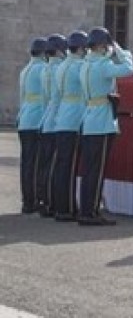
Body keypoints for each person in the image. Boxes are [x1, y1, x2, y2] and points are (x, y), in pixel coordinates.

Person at [77, 27, 133, 226]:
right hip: (101, 122)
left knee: (89, 170)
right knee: (97, 170)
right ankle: (90, 212)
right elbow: (129, 69)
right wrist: (121, 51)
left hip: (89, 119)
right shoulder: (102, 64)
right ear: (102, 46)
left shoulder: (85, 64)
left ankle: (86, 210)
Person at [50, 30, 89, 222]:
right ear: (81, 48)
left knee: (63, 166)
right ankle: (67, 209)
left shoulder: (61, 66)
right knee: (70, 167)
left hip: (62, 119)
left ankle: (60, 206)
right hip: (75, 119)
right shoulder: (80, 66)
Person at [37, 35, 67, 217]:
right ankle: (49, 202)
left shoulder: (46, 69)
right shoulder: (58, 68)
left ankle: (44, 201)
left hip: (46, 118)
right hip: (56, 119)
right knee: (54, 166)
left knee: (46, 165)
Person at [17, 37, 48, 214]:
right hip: (37, 118)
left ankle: (27, 200)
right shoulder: (42, 69)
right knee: (37, 163)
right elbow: (45, 96)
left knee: (27, 163)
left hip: (25, 119)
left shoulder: (25, 70)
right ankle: (35, 199)